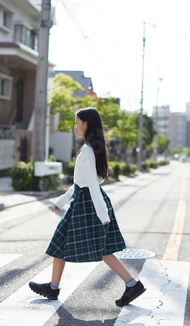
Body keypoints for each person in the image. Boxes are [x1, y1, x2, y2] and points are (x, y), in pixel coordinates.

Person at [29, 107, 146, 307]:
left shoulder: (88, 151)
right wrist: (61, 201)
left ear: (87, 124)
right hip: (88, 200)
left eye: (77, 122)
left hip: (87, 204)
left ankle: (54, 287)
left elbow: (91, 183)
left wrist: (101, 213)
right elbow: (81, 182)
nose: (75, 126)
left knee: (62, 242)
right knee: (99, 248)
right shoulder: (92, 150)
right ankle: (131, 284)